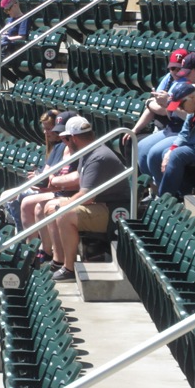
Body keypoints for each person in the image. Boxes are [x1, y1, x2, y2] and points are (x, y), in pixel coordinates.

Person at [42, 116, 129, 282]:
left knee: (64, 214)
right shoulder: (87, 151)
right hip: (101, 204)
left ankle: (69, 268)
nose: (64, 142)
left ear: (74, 138)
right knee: (50, 206)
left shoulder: (98, 156)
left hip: (113, 209)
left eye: (66, 138)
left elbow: (86, 197)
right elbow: (81, 180)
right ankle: (58, 260)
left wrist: (64, 205)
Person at [10, 110, 80, 265]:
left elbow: (77, 179)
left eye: (63, 133)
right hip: (56, 190)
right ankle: (34, 249)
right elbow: (48, 173)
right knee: (21, 200)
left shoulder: (79, 148)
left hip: (69, 193)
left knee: (33, 204)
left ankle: (46, 252)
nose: (61, 137)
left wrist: (51, 184)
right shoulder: (60, 147)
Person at [124, 48, 190, 178]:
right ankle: (142, 183)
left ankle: (156, 188)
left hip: (177, 128)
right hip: (163, 127)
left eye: (179, 68)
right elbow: (155, 104)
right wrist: (135, 129)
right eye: (173, 68)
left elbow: (165, 110)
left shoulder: (187, 83)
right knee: (131, 140)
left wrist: (150, 103)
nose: (176, 72)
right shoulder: (169, 78)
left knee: (152, 151)